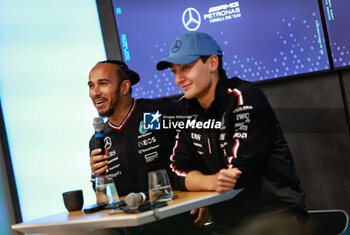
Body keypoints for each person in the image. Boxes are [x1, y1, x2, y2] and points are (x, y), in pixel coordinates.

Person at [156, 31, 307, 231]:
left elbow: (236, 174)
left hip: (275, 214)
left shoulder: (246, 98)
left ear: (212, 63)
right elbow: (176, 171)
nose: (178, 79)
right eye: (174, 71)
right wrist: (209, 182)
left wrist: (199, 181)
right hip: (224, 218)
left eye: (186, 68)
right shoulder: (183, 109)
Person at [88, 60, 210, 233]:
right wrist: (98, 176)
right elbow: (105, 197)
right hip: (131, 227)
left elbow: (201, 145)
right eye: (91, 86)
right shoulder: (98, 139)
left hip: (174, 221)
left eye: (103, 84)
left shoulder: (152, 116)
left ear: (124, 87)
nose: (95, 92)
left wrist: (203, 195)